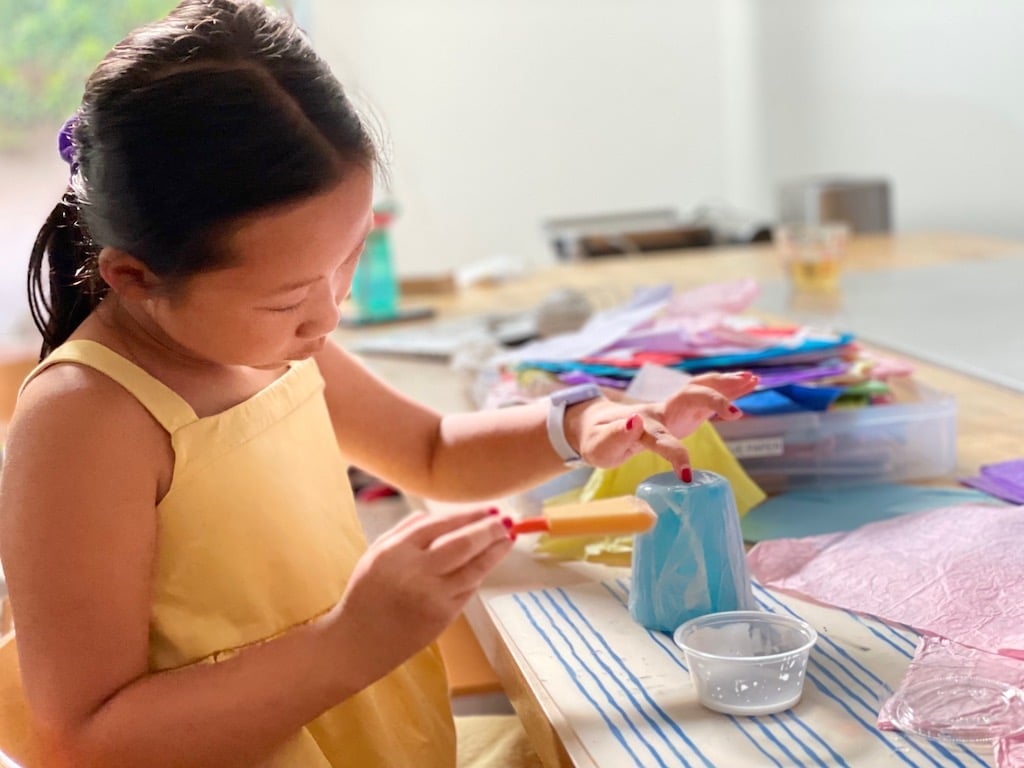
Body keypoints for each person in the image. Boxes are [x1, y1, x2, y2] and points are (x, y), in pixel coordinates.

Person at [0, 1, 758, 766]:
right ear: (134, 274)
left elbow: (432, 453)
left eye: (349, 257)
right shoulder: (87, 420)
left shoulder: (271, 346)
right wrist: (349, 643)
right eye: (289, 296)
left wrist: (578, 426)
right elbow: (82, 740)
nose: (330, 313)